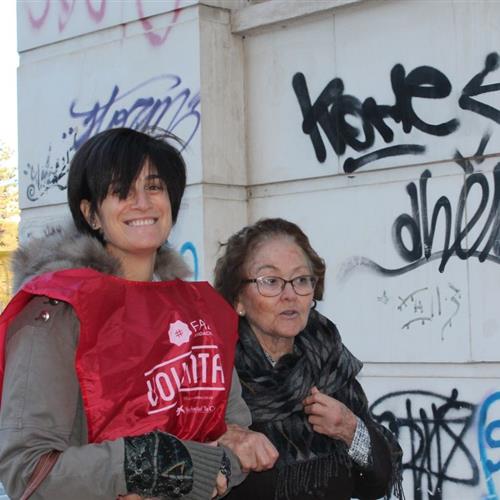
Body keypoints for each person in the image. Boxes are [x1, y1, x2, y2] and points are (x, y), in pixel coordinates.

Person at [0, 128, 273, 500]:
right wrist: (153, 466)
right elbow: (27, 470)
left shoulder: (199, 312)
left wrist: (215, 469)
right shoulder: (57, 313)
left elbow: (233, 435)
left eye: (155, 187)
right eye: (121, 191)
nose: (142, 203)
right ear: (91, 213)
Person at [213, 218, 404, 500]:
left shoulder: (329, 362)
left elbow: (375, 484)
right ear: (238, 299)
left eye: (301, 280)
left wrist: (350, 429)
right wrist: (219, 441)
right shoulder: (211, 375)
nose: (290, 295)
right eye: (271, 281)